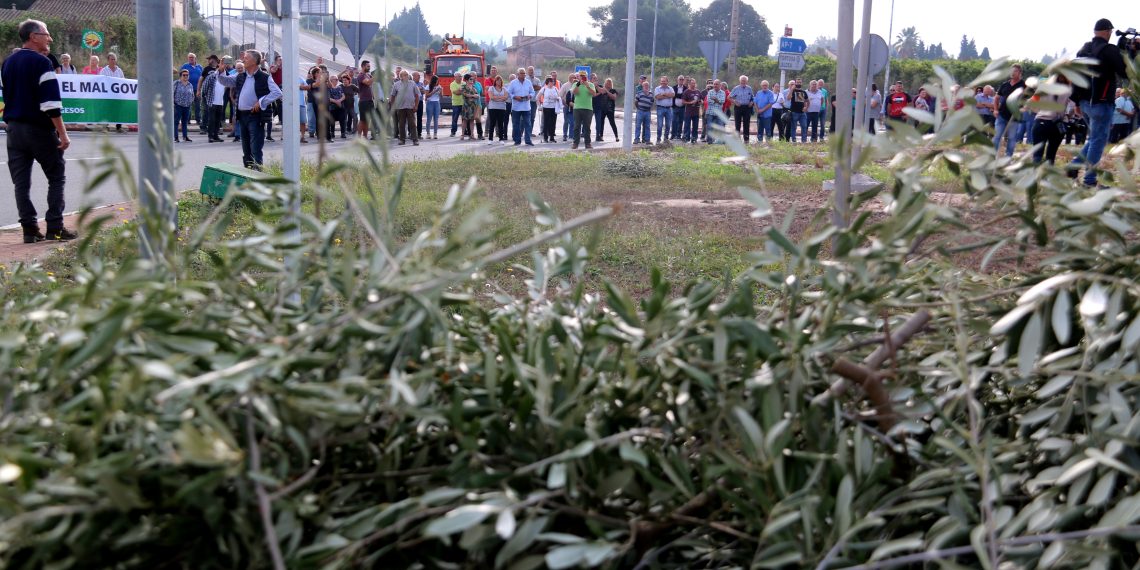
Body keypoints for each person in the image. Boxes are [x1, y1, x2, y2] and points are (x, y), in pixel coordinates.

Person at [2, 19, 74, 243]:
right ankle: (55, 227)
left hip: (13, 130)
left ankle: (30, 229)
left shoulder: (7, 63)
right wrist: (62, 133)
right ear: (34, 37)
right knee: (56, 176)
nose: (50, 38)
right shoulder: (42, 63)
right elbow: (51, 103)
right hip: (39, 129)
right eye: (47, 34)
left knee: (21, 182)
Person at [212, 49, 282, 170]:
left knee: (255, 148)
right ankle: (248, 174)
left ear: (255, 61)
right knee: (246, 149)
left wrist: (261, 102)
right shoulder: (241, 76)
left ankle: (258, 175)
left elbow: (277, 92)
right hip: (242, 116)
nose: (244, 59)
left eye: (246, 58)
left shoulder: (264, 77)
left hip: (255, 116)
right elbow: (225, 81)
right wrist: (221, 70)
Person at [1028, 75, 1072, 165]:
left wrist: (1039, 111)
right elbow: (1072, 108)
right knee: (1051, 155)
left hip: (1041, 122)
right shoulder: (1068, 90)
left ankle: (1035, 176)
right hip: (1057, 124)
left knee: (1037, 154)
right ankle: (1048, 176)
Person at [993, 64, 1026, 157]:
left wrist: (1024, 107)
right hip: (1001, 115)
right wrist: (995, 110)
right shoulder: (1005, 84)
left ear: (1020, 72)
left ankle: (1008, 158)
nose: (1012, 73)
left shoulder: (1024, 85)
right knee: (997, 137)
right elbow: (996, 98)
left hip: (1014, 116)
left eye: (1015, 71)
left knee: (1011, 138)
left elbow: (1030, 99)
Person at [390, 70, 421, 145]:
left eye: (407, 74)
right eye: (405, 75)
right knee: (401, 124)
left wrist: (416, 105)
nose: (407, 76)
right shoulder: (396, 84)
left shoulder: (412, 83)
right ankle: (402, 139)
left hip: (410, 107)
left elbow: (417, 95)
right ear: (401, 77)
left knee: (412, 124)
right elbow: (393, 95)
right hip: (400, 107)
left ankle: (415, 140)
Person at [569, 71, 597, 150]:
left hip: (588, 108)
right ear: (579, 77)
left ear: (586, 77)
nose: (582, 77)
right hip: (577, 108)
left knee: (587, 127)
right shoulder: (575, 84)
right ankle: (575, 143)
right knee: (577, 126)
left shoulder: (591, 84)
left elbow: (594, 94)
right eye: (581, 76)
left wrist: (587, 86)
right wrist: (578, 84)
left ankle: (588, 143)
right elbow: (574, 92)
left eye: (584, 76)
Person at [508, 68, 533, 146]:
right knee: (516, 124)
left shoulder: (528, 82)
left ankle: (528, 140)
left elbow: (532, 92)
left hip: (526, 107)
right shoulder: (513, 83)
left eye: (524, 73)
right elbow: (509, 92)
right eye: (522, 73)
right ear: (518, 74)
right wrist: (515, 97)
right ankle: (517, 140)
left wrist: (530, 96)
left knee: (528, 124)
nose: (523, 75)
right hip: (516, 107)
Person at [201, 67, 226, 143]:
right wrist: (205, 96)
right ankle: (210, 136)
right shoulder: (211, 76)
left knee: (218, 120)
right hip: (212, 102)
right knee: (211, 120)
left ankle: (216, 136)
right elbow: (204, 87)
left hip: (220, 102)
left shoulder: (224, 77)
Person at [729, 75, 755, 143]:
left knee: (746, 124)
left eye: (745, 80)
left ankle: (746, 139)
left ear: (747, 81)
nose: (743, 82)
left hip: (747, 108)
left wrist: (751, 102)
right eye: (742, 80)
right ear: (740, 81)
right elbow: (729, 97)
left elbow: (753, 97)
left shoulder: (749, 88)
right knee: (737, 124)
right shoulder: (736, 88)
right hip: (738, 107)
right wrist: (735, 102)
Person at [181, 53, 203, 128]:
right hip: (188, 88)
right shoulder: (185, 66)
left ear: (195, 58)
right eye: (189, 57)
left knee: (198, 105)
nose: (191, 59)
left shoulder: (199, 67)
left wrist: (200, 88)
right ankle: (187, 119)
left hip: (198, 89)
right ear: (188, 58)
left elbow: (203, 76)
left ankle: (198, 119)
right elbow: (181, 76)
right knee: (188, 104)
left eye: (192, 57)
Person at [173, 68, 195, 143]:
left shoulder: (190, 85)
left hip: (187, 106)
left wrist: (191, 101)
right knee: (176, 122)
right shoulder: (176, 83)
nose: (185, 76)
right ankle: (176, 137)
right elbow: (172, 93)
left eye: (187, 75)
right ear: (180, 76)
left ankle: (185, 136)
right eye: (184, 75)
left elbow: (192, 95)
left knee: (184, 122)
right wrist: (173, 103)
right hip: (178, 105)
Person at [355, 60, 375, 140]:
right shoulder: (361, 76)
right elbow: (368, 83)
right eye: (368, 66)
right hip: (364, 101)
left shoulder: (368, 75)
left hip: (370, 101)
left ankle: (365, 136)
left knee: (368, 120)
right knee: (363, 120)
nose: (369, 68)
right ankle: (359, 138)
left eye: (369, 66)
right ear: (363, 66)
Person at [486, 75, 509, 143]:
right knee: (492, 123)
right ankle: (490, 139)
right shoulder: (491, 88)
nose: (498, 82)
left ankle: (501, 139)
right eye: (497, 80)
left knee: (500, 123)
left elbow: (506, 97)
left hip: (502, 108)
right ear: (495, 81)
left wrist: (497, 97)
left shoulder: (504, 89)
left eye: (500, 81)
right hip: (493, 108)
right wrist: (501, 98)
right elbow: (491, 97)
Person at [538, 77, 561, 143]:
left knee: (553, 123)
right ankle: (545, 137)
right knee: (546, 122)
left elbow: (559, 96)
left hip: (554, 107)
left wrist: (557, 98)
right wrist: (539, 106)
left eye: (553, 81)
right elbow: (537, 97)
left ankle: (552, 137)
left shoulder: (555, 89)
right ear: (547, 82)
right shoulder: (544, 88)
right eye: (551, 82)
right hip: (546, 107)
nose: (552, 83)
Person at [653, 76, 674, 144]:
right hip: (660, 108)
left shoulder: (670, 88)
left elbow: (673, 95)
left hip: (669, 109)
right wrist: (667, 95)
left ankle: (666, 138)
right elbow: (658, 97)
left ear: (667, 82)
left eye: (664, 81)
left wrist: (664, 94)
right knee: (660, 125)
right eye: (662, 81)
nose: (663, 82)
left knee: (668, 125)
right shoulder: (657, 88)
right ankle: (658, 139)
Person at [679, 78, 701, 144]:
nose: (693, 84)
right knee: (687, 126)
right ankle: (686, 138)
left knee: (695, 126)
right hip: (688, 112)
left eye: (694, 83)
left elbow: (701, 99)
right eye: (692, 83)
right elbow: (683, 101)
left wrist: (700, 102)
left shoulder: (698, 91)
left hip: (696, 112)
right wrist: (690, 103)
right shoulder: (686, 91)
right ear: (689, 84)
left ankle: (694, 138)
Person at [705, 80, 727, 144]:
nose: (715, 85)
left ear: (720, 85)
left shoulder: (723, 92)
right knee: (709, 127)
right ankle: (709, 141)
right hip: (710, 112)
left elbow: (722, 101)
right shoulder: (710, 92)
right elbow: (709, 101)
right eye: (714, 84)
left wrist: (715, 99)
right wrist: (717, 101)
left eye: (717, 84)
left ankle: (720, 141)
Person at [327, 74, 347, 141]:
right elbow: (328, 98)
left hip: (340, 106)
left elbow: (343, 96)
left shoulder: (339, 88)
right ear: (331, 80)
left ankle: (343, 133)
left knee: (342, 120)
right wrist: (336, 102)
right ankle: (332, 133)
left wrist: (339, 101)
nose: (337, 80)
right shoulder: (329, 88)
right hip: (332, 107)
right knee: (332, 121)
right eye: (335, 79)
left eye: (337, 79)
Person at [634, 80, 654, 144]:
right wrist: (639, 108)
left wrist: (648, 109)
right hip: (640, 111)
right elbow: (636, 102)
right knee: (638, 126)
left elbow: (652, 102)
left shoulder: (651, 94)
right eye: (645, 85)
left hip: (647, 112)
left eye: (647, 85)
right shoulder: (639, 93)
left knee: (647, 126)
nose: (646, 87)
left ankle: (647, 140)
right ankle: (636, 139)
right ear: (642, 86)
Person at [424, 75, 442, 139]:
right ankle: (428, 133)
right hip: (430, 103)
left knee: (436, 119)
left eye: (438, 81)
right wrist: (435, 91)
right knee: (429, 119)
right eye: (437, 81)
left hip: (437, 103)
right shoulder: (428, 86)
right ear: (434, 81)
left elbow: (441, 96)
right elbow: (427, 96)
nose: (437, 82)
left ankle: (435, 134)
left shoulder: (439, 86)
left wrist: (440, 91)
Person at [450, 72, 466, 137]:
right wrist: (461, 91)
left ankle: (464, 132)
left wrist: (460, 91)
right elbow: (456, 93)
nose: (461, 77)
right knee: (455, 119)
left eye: (461, 76)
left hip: (464, 103)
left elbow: (465, 91)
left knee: (464, 119)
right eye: (459, 76)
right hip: (456, 104)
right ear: (455, 77)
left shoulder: (464, 83)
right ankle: (453, 132)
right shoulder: (452, 84)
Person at [671, 74, 686, 139]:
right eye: (680, 79)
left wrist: (677, 95)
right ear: (677, 80)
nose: (681, 80)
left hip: (682, 108)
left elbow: (684, 96)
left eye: (682, 79)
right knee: (674, 121)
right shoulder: (673, 88)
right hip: (675, 107)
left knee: (680, 122)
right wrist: (680, 95)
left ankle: (678, 135)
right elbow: (673, 95)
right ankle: (673, 135)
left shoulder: (685, 88)